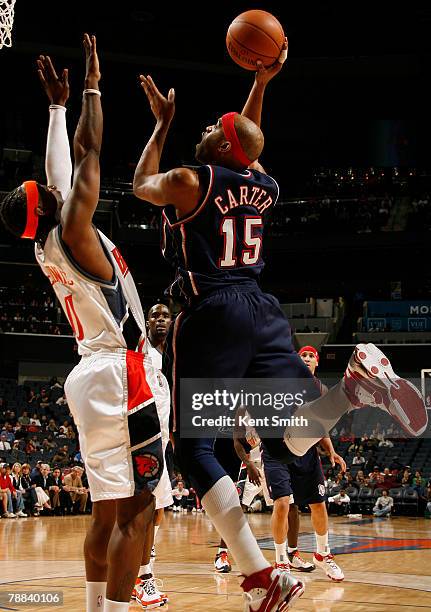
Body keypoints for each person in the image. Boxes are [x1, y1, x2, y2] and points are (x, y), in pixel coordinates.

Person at [132, 43, 427, 610]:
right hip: (263, 311)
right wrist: (262, 84)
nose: (213, 130)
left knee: (195, 451)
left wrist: (162, 125)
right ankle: (352, 387)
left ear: (220, 146)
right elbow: (246, 141)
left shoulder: (193, 182)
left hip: (214, 309)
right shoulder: (264, 187)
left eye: (215, 130)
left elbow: (145, 180)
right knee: (292, 432)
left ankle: (259, 574)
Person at [0, 37, 168, 612]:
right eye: (47, 193)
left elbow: (59, 168)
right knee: (140, 507)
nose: (53, 185)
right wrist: (91, 90)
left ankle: (98, 607)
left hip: (91, 375)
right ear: (49, 207)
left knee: (105, 509)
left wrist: (54, 107)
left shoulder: (47, 243)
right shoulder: (73, 227)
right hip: (125, 375)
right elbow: (88, 150)